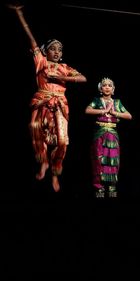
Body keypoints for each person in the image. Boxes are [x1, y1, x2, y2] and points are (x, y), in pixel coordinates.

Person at [9, 4, 87, 192]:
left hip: (60, 103)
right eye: (53, 49)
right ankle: (43, 162)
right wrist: (20, 14)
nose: (57, 52)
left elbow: (83, 78)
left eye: (60, 50)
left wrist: (60, 77)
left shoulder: (64, 67)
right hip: (42, 100)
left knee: (61, 140)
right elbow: (31, 40)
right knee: (35, 129)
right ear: (46, 51)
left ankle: (55, 172)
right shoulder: (41, 62)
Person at [85, 78, 132, 198]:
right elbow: (88, 110)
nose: (107, 87)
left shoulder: (117, 103)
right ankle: (99, 186)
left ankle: (112, 186)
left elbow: (129, 116)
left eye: (109, 85)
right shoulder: (97, 101)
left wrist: (115, 113)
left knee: (112, 160)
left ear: (113, 89)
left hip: (112, 134)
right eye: (104, 85)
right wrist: (104, 111)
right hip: (100, 134)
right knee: (98, 159)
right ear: (100, 89)